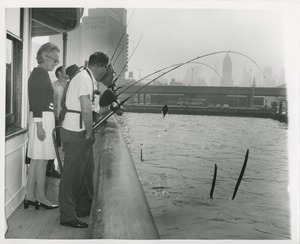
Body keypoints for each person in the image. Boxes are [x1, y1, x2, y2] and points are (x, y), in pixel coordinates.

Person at [59, 52, 112, 228]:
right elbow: (86, 109)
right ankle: (67, 216)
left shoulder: (90, 80)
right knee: (72, 176)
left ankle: (84, 207)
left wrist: (112, 106)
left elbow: (96, 110)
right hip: (76, 132)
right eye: (106, 67)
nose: (107, 70)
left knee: (86, 172)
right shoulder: (83, 78)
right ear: (99, 67)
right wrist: (89, 134)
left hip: (81, 131)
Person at [25, 42, 60, 210]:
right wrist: (39, 126)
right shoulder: (41, 74)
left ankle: (30, 196)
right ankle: (40, 197)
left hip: (42, 119)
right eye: (55, 60)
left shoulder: (39, 73)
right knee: (42, 160)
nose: (56, 63)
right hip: (42, 120)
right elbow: (36, 102)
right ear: (45, 57)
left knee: (37, 160)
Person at [46, 66, 69, 178]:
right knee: (56, 144)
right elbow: (52, 104)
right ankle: (50, 168)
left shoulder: (70, 85)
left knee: (63, 145)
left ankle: (61, 167)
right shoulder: (54, 86)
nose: (68, 71)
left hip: (68, 120)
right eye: (65, 70)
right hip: (57, 119)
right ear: (59, 73)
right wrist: (55, 117)